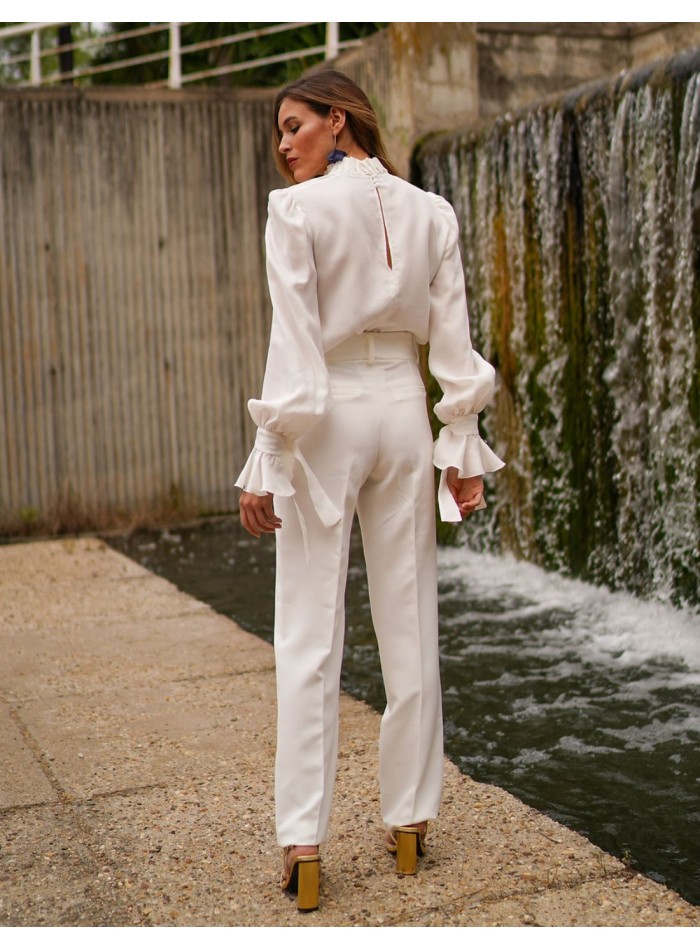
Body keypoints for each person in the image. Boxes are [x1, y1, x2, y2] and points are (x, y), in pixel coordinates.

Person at [235, 68, 504, 912]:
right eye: (279, 132)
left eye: (294, 125)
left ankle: (306, 844)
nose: (284, 145)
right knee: (410, 617)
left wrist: (269, 448)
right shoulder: (435, 212)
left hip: (332, 412)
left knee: (311, 632)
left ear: (340, 120)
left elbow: (296, 344)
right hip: (406, 412)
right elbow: (453, 344)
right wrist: (459, 441)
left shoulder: (298, 212)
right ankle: (411, 827)